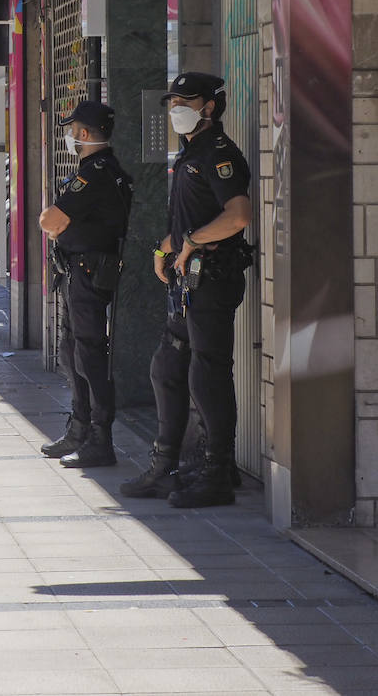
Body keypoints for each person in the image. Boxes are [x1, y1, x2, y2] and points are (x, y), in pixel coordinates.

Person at [121, 72, 253, 508]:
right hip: (187, 280)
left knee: (207, 373)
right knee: (168, 368)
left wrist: (193, 242)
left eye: (185, 99)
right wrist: (166, 248)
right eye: (172, 99)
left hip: (212, 278)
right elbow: (189, 216)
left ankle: (216, 473)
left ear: (210, 106)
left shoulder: (218, 153)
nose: (175, 106)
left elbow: (237, 217)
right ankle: (166, 467)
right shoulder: (191, 152)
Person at [37, 100, 133, 469]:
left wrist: (57, 223)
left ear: (84, 133)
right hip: (80, 271)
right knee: (71, 349)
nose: (70, 135)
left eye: (72, 129)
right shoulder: (101, 171)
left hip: (90, 272)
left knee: (89, 355)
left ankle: (98, 438)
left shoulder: (94, 173)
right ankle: (79, 429)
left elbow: (50, 220)